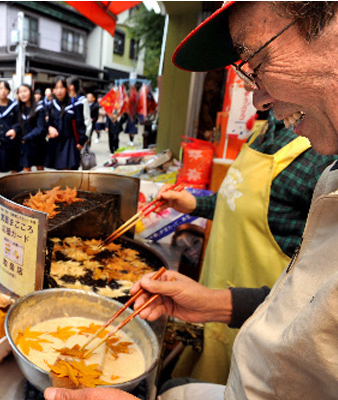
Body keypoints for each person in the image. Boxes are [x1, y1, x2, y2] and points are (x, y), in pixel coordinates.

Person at [44, 2, 338, 400]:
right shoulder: (330, 176)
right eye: (247, 73)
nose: (258, 100)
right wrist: (217, 304)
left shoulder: (315, 155)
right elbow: (307, 304)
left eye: (258, 59)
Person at [168, 111, 336, 383]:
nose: (252, 93)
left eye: (255, 70)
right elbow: (236, 201)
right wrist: (196, 205)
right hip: (218, 286)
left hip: (265, 311)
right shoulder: (264, 129)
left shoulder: (324, 150)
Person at [44, 76, 87, 170]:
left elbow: (81, 124)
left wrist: (81, 140)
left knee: (68, 171)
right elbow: (47, 122)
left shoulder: (75, 104)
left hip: (70, 142)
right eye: (56, 88)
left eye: (61, 87)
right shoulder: (51, 104)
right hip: (56, 142)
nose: (59, 91)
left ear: (66, 89)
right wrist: (49, 128)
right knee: (59, 171)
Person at [0, 80, 20, 174]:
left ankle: (14, 188)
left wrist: (15, 129)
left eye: (6, 88)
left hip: (11, 141)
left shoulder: (15, 106)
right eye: (0, 88)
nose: (3, 91)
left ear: (9, 91)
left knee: (13, 166)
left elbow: (19, 121)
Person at [16, 84, 47, 172]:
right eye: (20, 92)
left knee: (39, 168)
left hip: (37, 143)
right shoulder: (19, 109)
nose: (22, 94)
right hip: (25, 144)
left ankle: (42, 186)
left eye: (25, 91)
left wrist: (27, 137)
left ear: (30, 92)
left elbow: (40, 128)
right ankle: (27, 186)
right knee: (26, 168)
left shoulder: (39, 108)